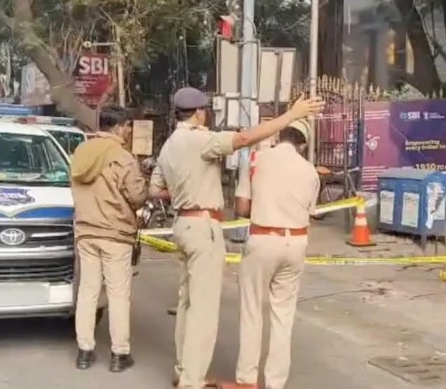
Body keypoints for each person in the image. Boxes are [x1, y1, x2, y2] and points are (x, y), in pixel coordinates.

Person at [148, 88, 324, 389]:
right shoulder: (200, 139)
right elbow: (243, 138)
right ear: (200, 111)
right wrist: (291, 115)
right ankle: (192, 381)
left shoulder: (169, 146)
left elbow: (155, 190)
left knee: (188, 302)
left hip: (183, 224)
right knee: (203, 309)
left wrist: (185, 192)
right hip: (205, 226)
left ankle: (185, 369)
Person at [230, 119, 319, 389]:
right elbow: (310, 212)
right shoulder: (310, 171)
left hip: (263, 239)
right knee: (283, 316)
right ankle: (275, 383)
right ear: (302, 144)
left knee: (252, 310)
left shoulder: (257, 159)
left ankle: (247, 379)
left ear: (279, 135)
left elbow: (241, 208)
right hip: (296, 244)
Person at [70, 104, 147, 372]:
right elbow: (137, 197)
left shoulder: (80, 152)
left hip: (85, 232)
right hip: (115, 234)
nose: (128, 131)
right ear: (118, 126)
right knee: (117, 294)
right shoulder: (122, 157)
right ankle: (119, 353)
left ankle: (84, 351)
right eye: (127, 126)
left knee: (88, 291)